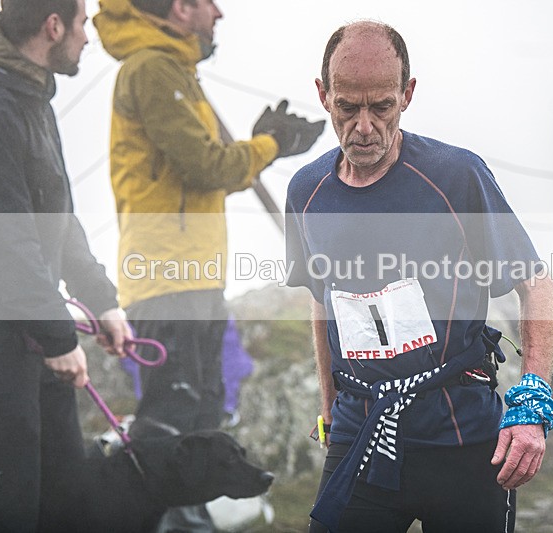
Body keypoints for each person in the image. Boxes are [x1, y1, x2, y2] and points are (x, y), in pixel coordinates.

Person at [285, 21, 553, 533]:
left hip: (461, 435)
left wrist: (533, 396)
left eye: (381, 106)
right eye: (347, 108)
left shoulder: (456, 176)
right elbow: (324, 301)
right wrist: (329, 405)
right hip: (362, 432)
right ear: (323, 95)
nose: (364, 127)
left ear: (407, 95)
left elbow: (535, 282)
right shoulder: (307, 191)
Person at [93, 0, 323, 530]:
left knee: (200, 416)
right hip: (165, 277)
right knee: (172, 421)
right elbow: (205, 167)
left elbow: (204, 170)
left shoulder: (175, 70)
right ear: (179, 8)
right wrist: (271, 144)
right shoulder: (152, 68)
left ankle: (184, 522)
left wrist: (259, 146)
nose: (218, 12)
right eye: (207, 2)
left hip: (192, 277)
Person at [0, 1, 132, 531]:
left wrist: (103, 302)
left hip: (31, 329)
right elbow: (5, 239)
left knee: (63, 493)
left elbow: (59, 220)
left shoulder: (29, 98)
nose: (87, 38)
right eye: (82, 24)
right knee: (3, 501)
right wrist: (57, 336)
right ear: (53, 27)